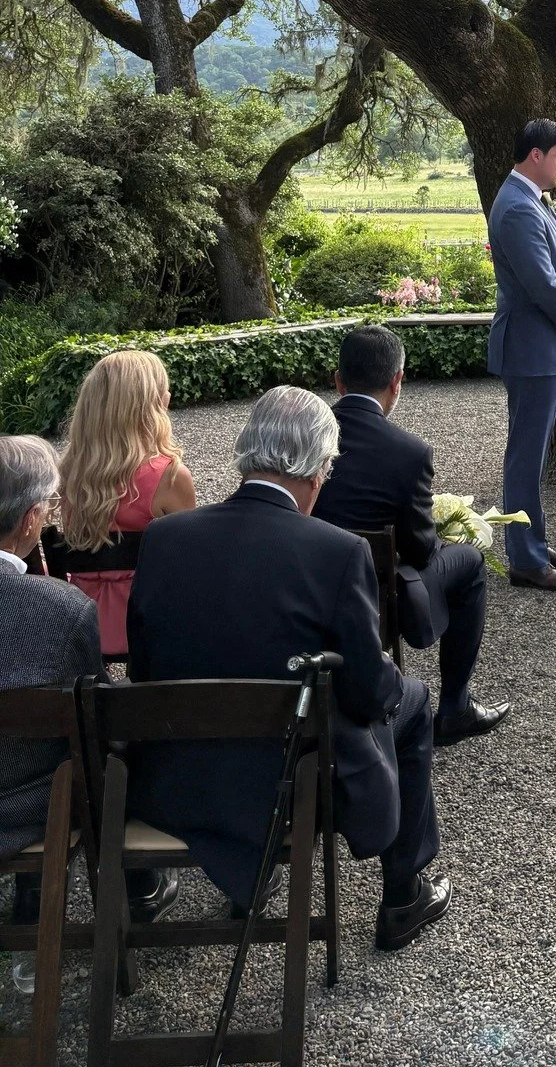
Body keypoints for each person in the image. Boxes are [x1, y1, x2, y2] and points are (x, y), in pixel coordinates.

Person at [126, 387, 450, 952]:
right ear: (319, 469)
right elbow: (369, 691)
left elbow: (144, 665)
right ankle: (403, 894)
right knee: (414, 701)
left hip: (176, 777)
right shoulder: (337, 551)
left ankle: (249, 878)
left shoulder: (165, 538)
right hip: (289, 781)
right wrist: (392, 688)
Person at [1, 436, 175, 985]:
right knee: (90, 754)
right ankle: (130, 889)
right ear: (31, 520)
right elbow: (97, 722)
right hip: (27, 810)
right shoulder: (61, 610)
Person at [314, 325, 511, 745]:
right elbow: (421, 550)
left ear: (337, 380)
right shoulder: (409, 451)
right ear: (396, 382)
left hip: (308, 579)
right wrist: (442, 529)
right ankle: (455, 706)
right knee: (471, 562)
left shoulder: (305, 434)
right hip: (378, 591)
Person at [487, 118, 556, 592]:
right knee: (526, 457)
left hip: (540, 344)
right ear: (535, 155)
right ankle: (525, 560)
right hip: (532, 346)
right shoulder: (517, 208)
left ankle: (532, 541)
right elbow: (542, 283)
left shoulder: (529, 199)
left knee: (532, 453)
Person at [56, 350, 196, 656]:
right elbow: (189, 562)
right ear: (156, 404)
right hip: (148, 620)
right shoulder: (169, 476)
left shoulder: (68, 473)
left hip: (81, 619)